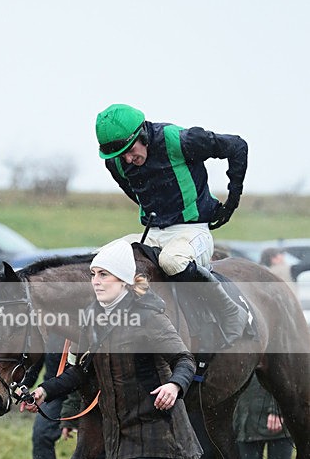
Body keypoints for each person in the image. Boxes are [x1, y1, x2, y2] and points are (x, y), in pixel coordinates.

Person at [22, 239, 202, 459]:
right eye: (93, 274)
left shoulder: (149, 316)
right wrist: (43, 391)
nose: (96, 281)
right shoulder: (92, 320)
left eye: (104, 274)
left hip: (156, 423)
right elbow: (80, 373)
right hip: (120, 428)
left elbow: (184, 360)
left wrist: (174, 385)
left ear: (123, 279)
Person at [95, 103, 249, 347]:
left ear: (143, 134)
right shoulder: (115, 163)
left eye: (131, 150)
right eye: (121, 155)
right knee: (101, 260)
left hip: (193, 230)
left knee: (172, 261)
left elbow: (237, 146)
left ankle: (231, 311)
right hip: (153, 233)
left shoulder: (180, 140)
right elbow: (136, 193)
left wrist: (231, 202)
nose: (128, 159)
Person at [22, 348, 116, 459]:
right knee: (41, 435)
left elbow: (79, 372)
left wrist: (69, 417)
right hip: (53, 391)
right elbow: (34, 362)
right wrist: (22, 384)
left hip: (87, 391)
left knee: (96, 444)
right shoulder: (47, 334)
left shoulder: (81, 335)